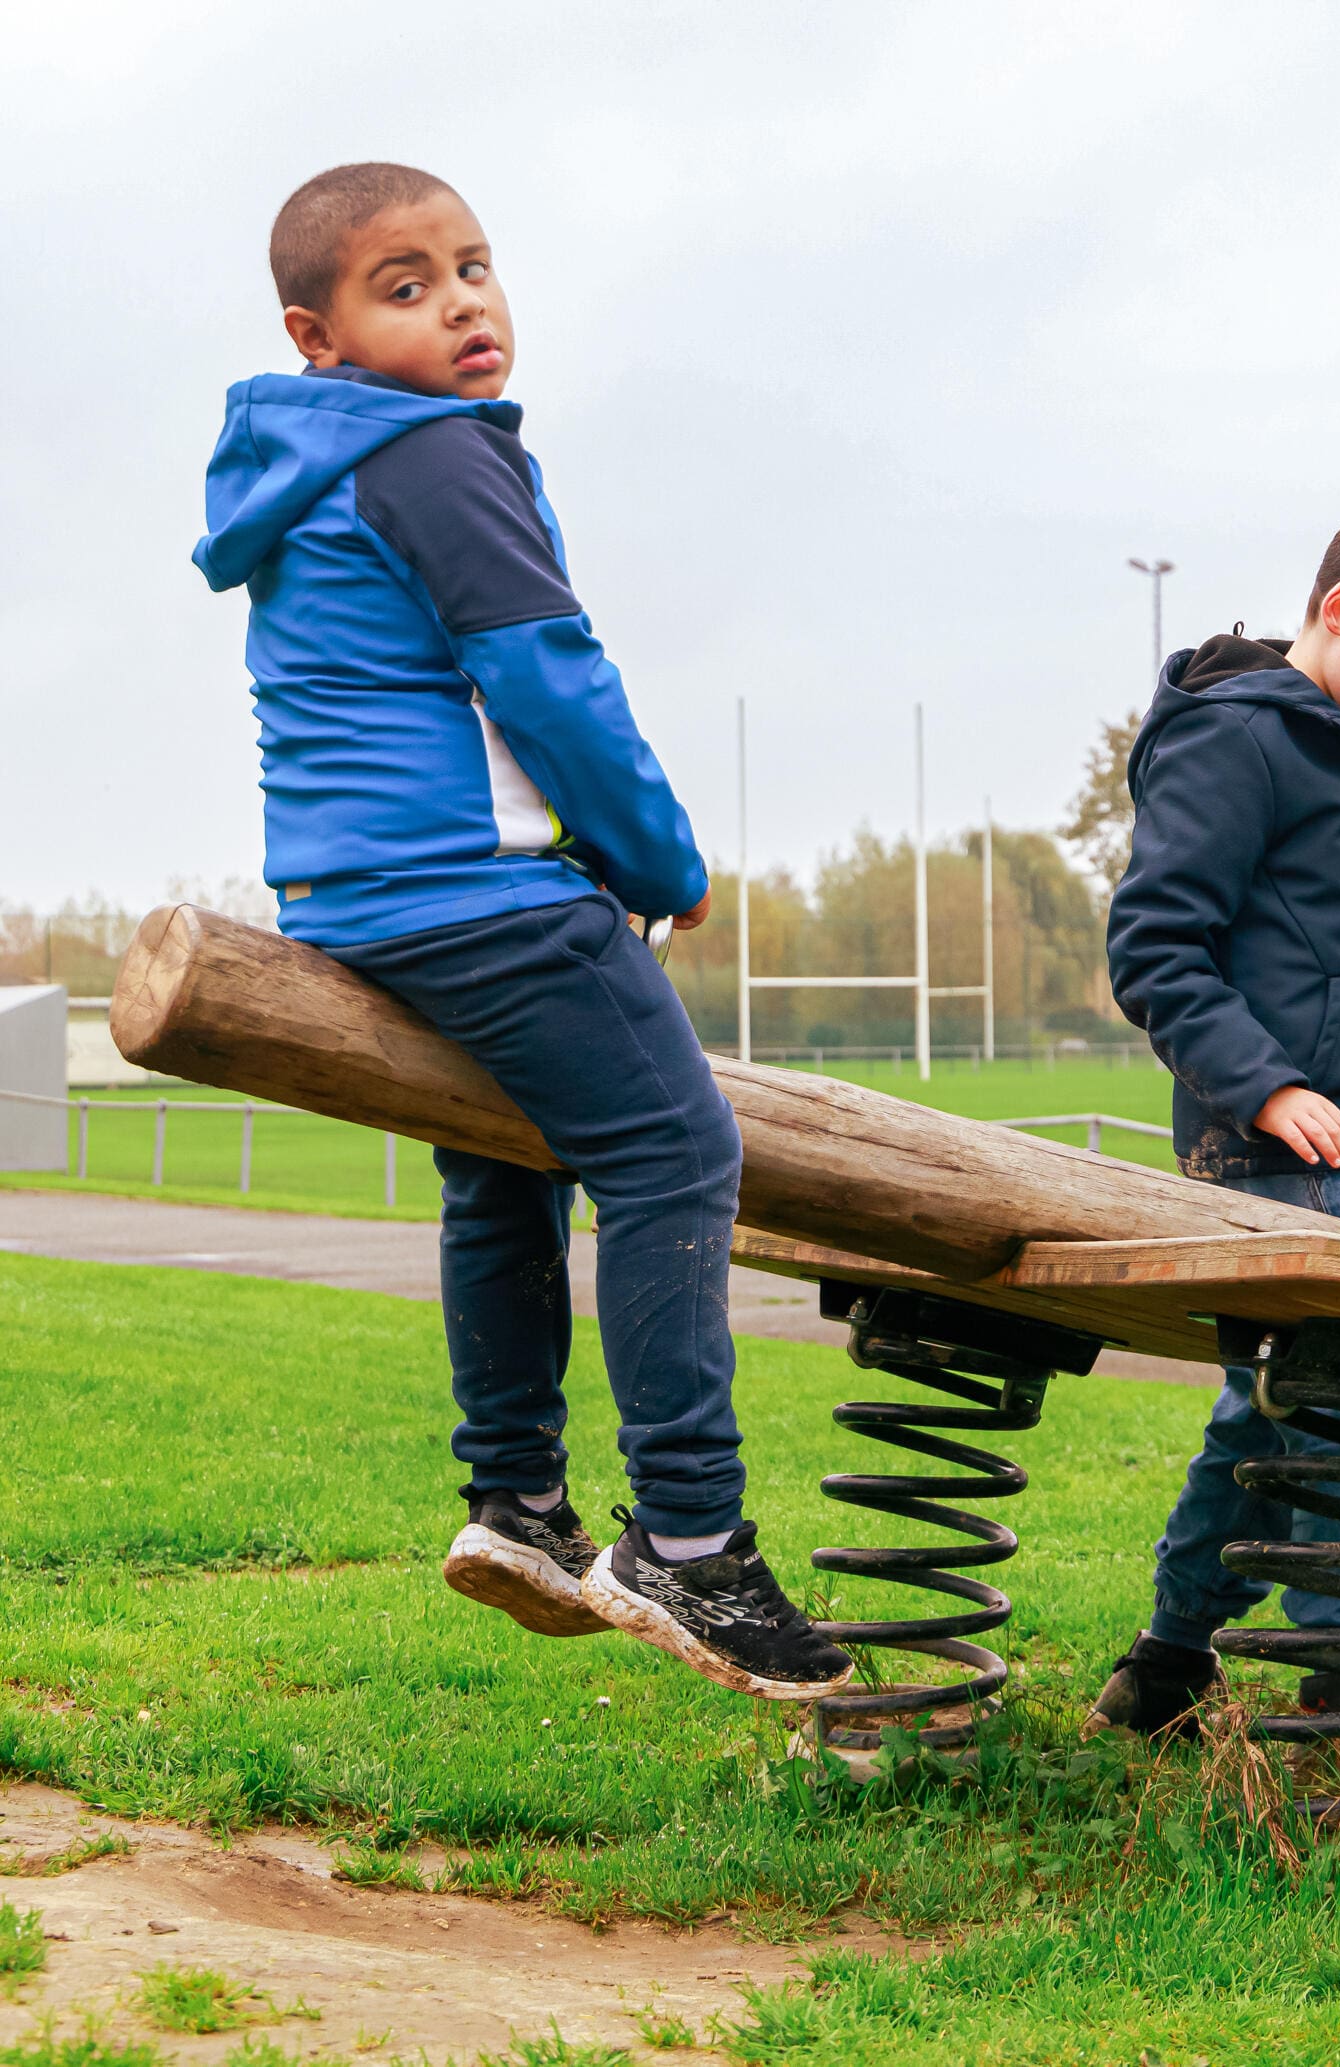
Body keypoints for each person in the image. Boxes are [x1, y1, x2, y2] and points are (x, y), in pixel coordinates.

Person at [192, 162, 852, 1703]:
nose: (463, 302)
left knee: (505, 1158)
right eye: (405, 286)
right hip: (482, 895)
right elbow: (548, 678)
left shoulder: (311, 468)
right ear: (322, 334)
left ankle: (518, 1505)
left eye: (474, 267)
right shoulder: (435, 455)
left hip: (355, 897)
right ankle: (688, 1542)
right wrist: (659, 857)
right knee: (675, 1153)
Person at [1083, 481, 1340, 1737]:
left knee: (1269, 1402)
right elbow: (1157, 948)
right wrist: (1267, 1089)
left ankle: (1168, 1656)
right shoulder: (1237, 737)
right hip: (1264, 1145)